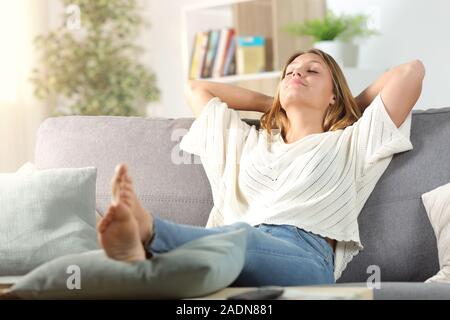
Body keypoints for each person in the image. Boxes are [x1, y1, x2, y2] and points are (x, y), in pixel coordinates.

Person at [97, 49, 425, 286]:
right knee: (232, 249)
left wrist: (349, 105)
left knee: (240, 238)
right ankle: (146, 263)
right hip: (232, 246)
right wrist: (271, 102)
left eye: (312, 71)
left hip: (305, 256)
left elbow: (410, 72)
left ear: (333, 97)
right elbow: (197, 88)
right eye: (290, 72)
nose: (297, 74)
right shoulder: (246, 141)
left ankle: (149, 233)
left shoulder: (352, 142)